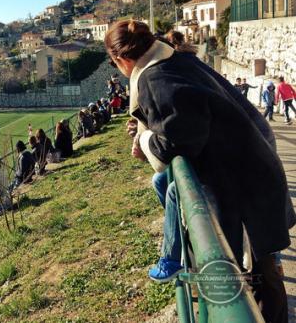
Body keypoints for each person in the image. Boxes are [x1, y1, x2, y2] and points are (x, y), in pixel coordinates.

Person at [105, 19, 293, 321]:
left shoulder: (156, 77)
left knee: (260, 277)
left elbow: (181, 140)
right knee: (261, 272)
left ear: (121, 59)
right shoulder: (176, 61)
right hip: (253, 171)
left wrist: (145, 138)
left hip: (243, 184)